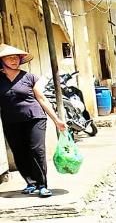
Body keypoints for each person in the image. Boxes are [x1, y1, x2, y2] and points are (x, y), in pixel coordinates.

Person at [0, 44, 66, 197]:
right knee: (19, 151)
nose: (14, 60)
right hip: (11, 121)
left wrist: (56, 120)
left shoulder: (29, 77)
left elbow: (41, 99)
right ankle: (31, 182)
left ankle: (42, 184)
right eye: (9, 58)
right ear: (1, 61)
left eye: (16, 57)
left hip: (34, 117)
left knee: (37, 150)